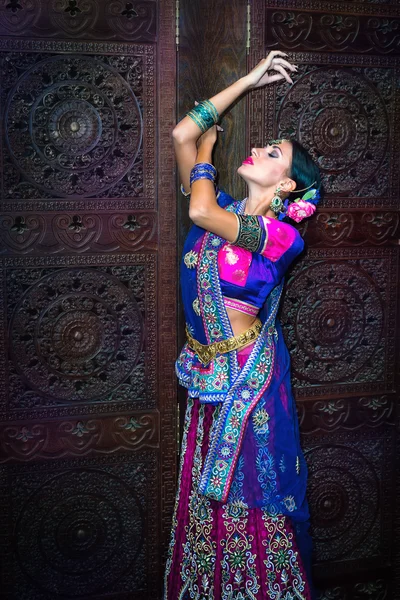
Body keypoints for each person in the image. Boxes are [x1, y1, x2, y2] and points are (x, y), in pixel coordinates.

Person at [164, 50, 322, 600]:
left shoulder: (281, 237)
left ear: (286, 187)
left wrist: (208, 152)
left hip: (248, 385)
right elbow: (182, 133)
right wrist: (248, 82)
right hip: (209, 376)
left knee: (249, 494)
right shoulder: (225, 201)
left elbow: (201, 212)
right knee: (208, 501)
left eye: (273, 152)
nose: (258, 149)